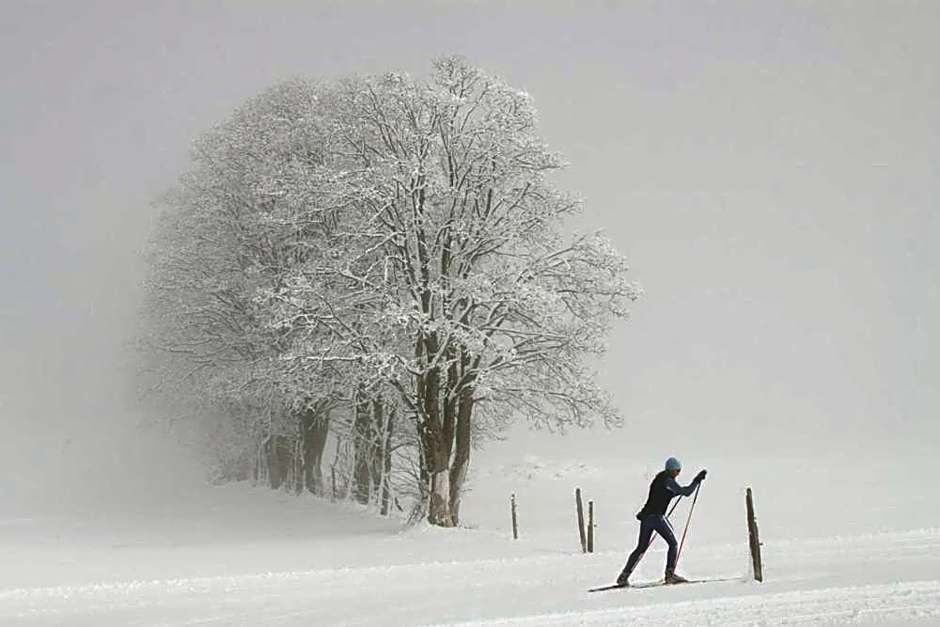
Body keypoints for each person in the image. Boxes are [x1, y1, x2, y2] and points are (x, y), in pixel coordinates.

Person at [616, 457, 707, 586]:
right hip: (656, 518)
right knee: (673, 544)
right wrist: (696, 481)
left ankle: (623, 576)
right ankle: (670, 576)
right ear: (671, 470)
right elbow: (685, 492)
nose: (678, 473)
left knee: (641, 547)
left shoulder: (660, 479)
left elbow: (670, 492)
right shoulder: (668, 481)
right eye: (677, 471)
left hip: (646, 517)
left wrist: (681, 490)